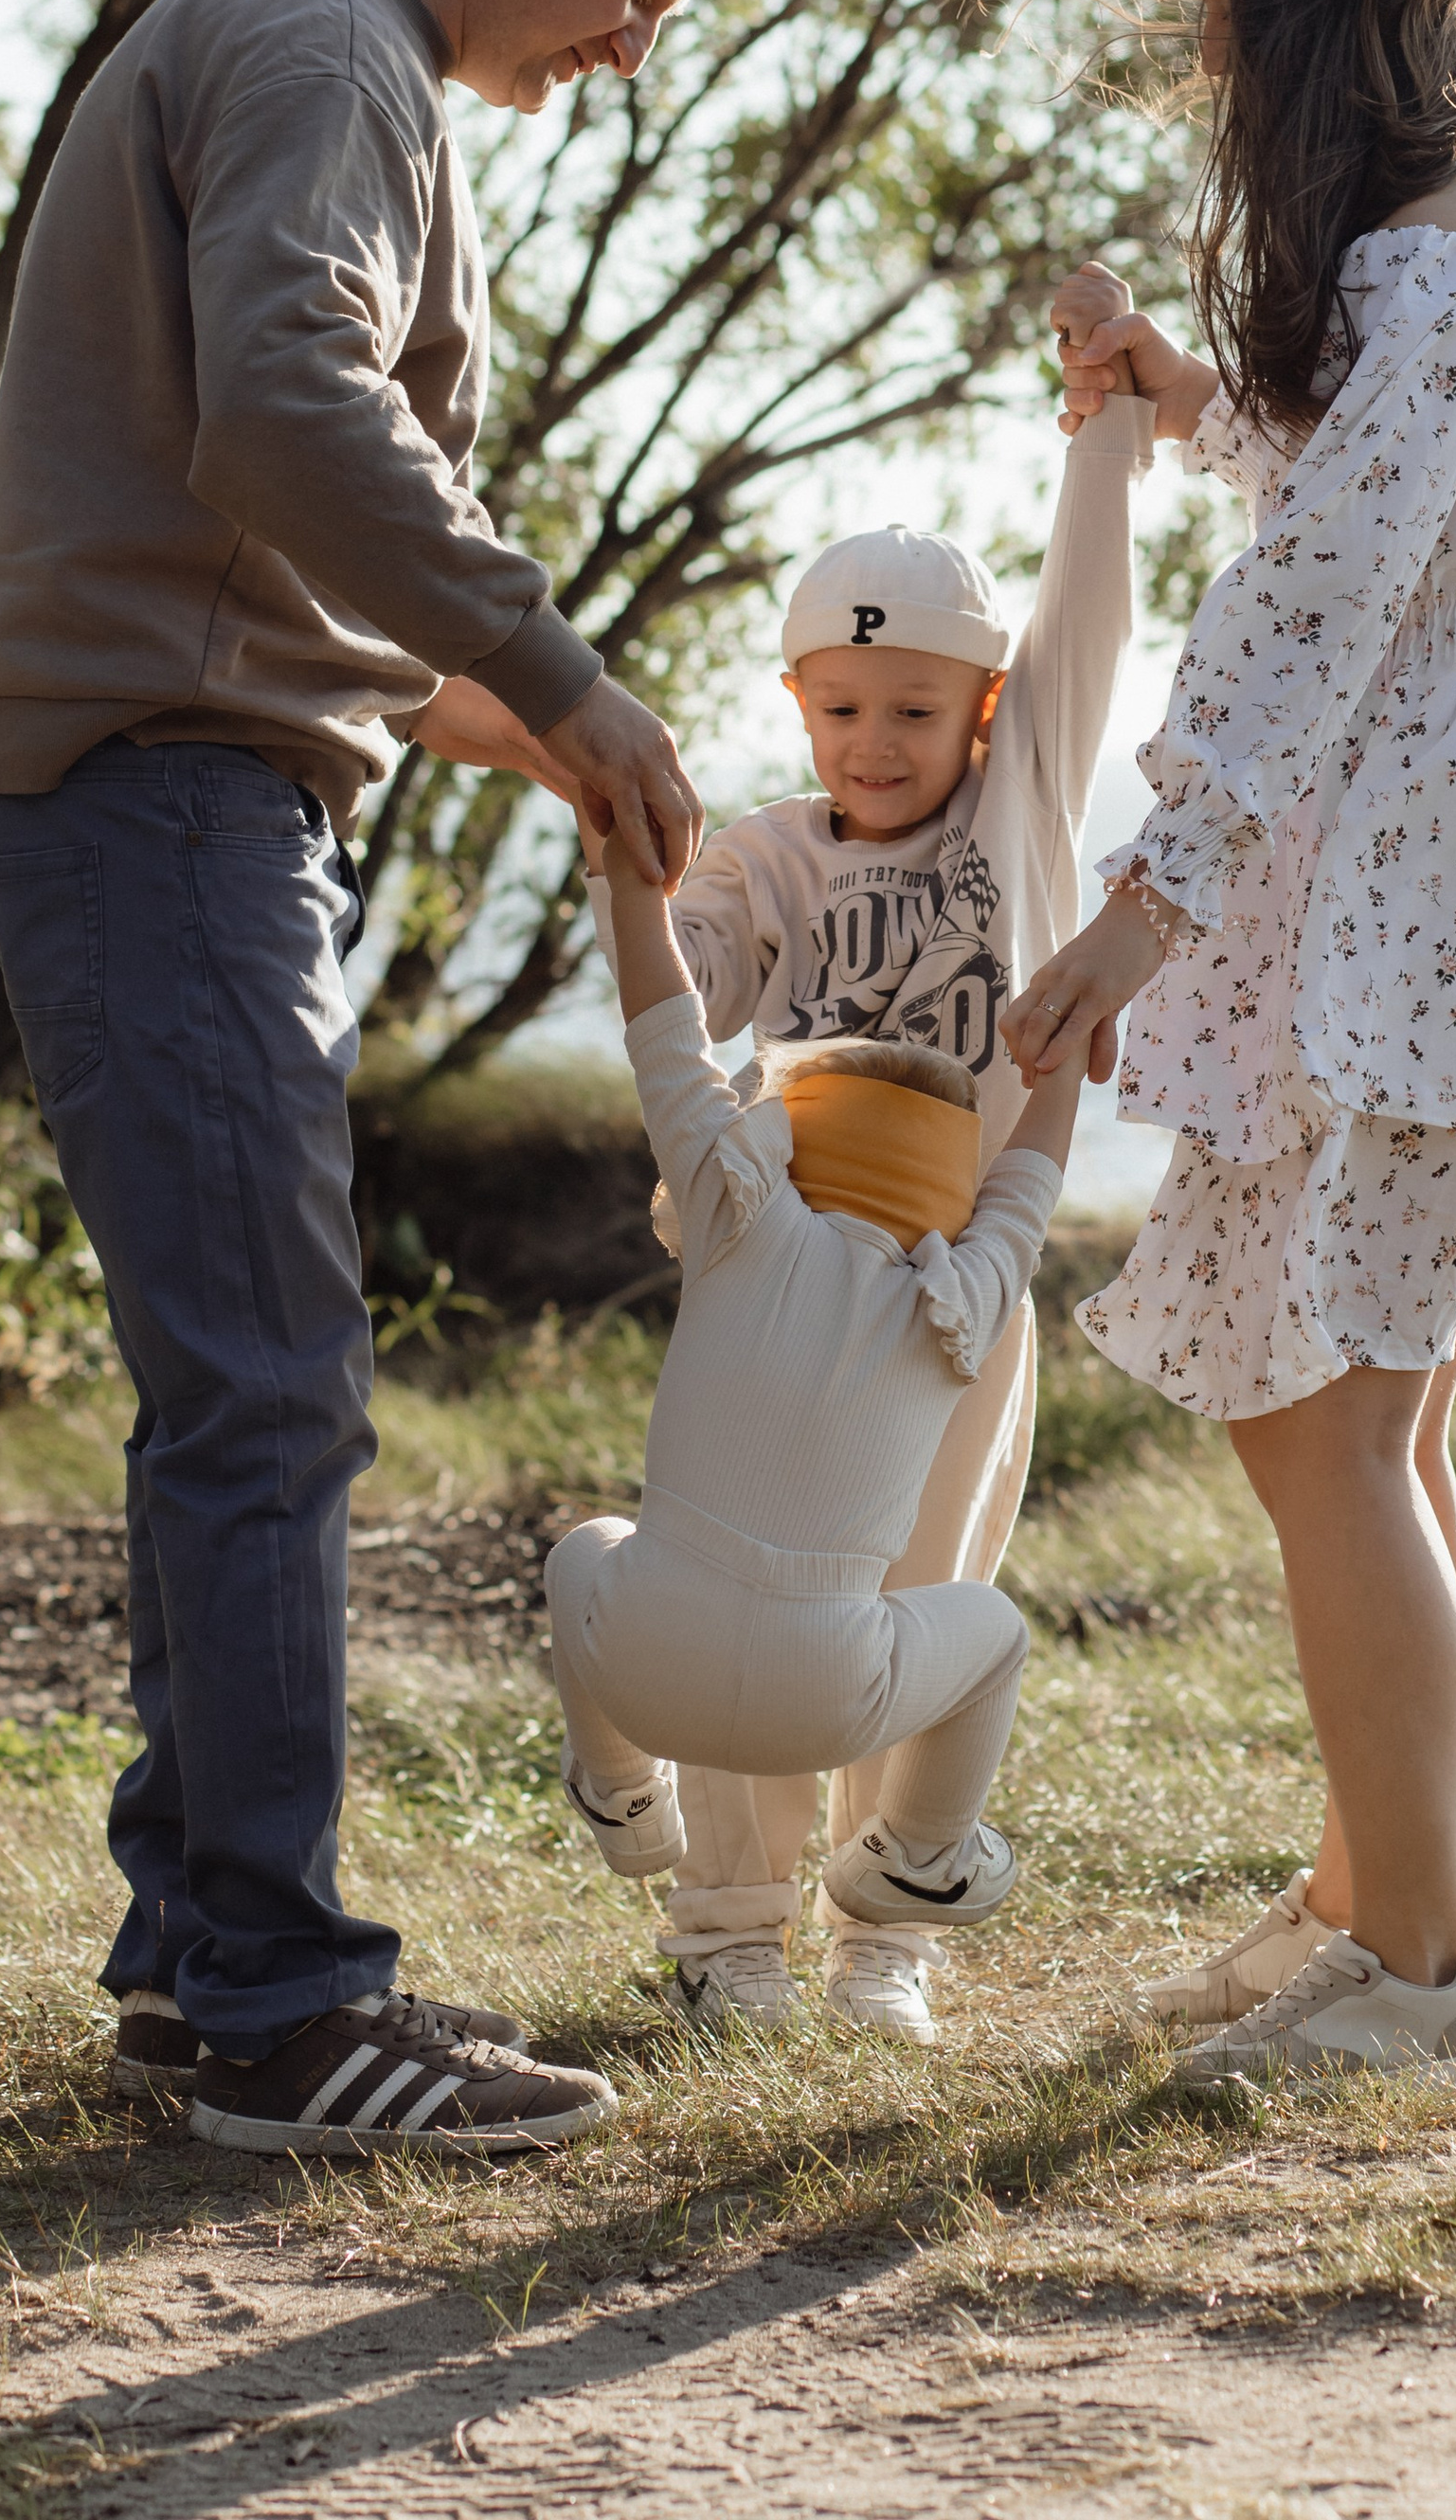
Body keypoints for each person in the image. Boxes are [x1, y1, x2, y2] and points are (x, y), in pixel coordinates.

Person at [0, 0, 752, 2161]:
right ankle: (288, 2013)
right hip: (160, 792)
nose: (626, 55)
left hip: (175, 765)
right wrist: (555, 661)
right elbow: (286, 412)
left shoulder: (318, 42)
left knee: (235, 1391)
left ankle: (210, 1978)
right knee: (274, 1391)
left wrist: (498, 719)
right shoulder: (328, 43)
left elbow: (244, 505)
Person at [1005, 0, 1456, 2099]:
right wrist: (1185, 400)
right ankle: (1359, 1899)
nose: (1196, 48)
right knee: (1332, 1416)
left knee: (1348, 1416)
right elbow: (1365, 492)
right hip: (1432, 867)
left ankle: (1418, 1978)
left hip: (1432, 884)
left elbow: (1321, 595)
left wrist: (1137, 905)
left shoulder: (1446, 242)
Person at [459, 355, 1154, 2042]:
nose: (878, 740)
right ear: (797, 704)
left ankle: (885, 1946)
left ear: (982, 709)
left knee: (924, 1573)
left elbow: (1090, 617)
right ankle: (729, 1932)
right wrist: (649, 892)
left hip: (956, 1285)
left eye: (916, 709)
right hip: (781, 1280)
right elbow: (682, 995)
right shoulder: (763, 851)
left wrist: (1112, 427)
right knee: (740, 1556)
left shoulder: (1026, 795)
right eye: (844, 708)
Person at [544, 815, 1084, 1958]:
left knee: (582, 1547)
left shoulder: (737, 1223)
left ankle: (623, 1795)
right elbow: (1027, 1184)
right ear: (949, 1193)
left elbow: (665, 1034)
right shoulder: (962, 1297)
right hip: (831, 1697)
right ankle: (918, 1856)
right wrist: (1065, 1060)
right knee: (988, 1629)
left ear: (793, 1139)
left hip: (645, 1666)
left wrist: (630, 885)